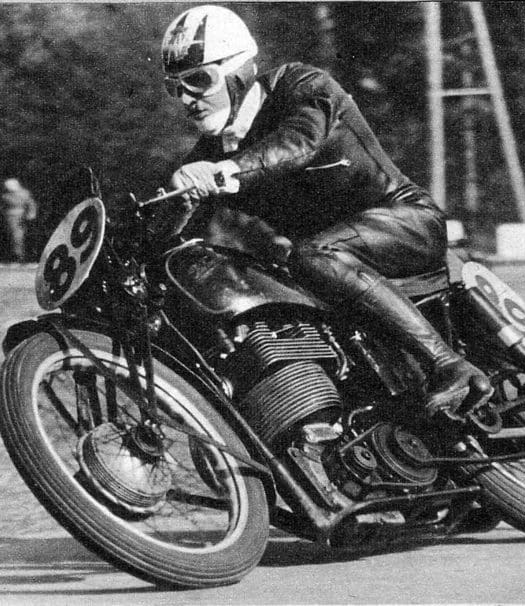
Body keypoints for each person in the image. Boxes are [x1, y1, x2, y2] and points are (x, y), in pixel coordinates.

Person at [159, 5, 492, 419]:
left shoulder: (302, 86)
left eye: (198, 80)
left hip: (406, 221)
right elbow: (176, 231)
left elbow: (300, 142)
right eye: (176, 87)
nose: (187, 98)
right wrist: (169, 208)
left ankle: (448, 365)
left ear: (237, 70)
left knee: (311, 254)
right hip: (332, 262)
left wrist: (225, 172)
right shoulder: (210, 155)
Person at [1, 178, 37, 262]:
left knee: (17, 236)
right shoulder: (6, 195)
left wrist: (31, 214)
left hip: (19, 217)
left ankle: (19, 256)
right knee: (13, 236)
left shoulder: (23, 194)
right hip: (9, 217)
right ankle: (16, 256)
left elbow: (31, 204)